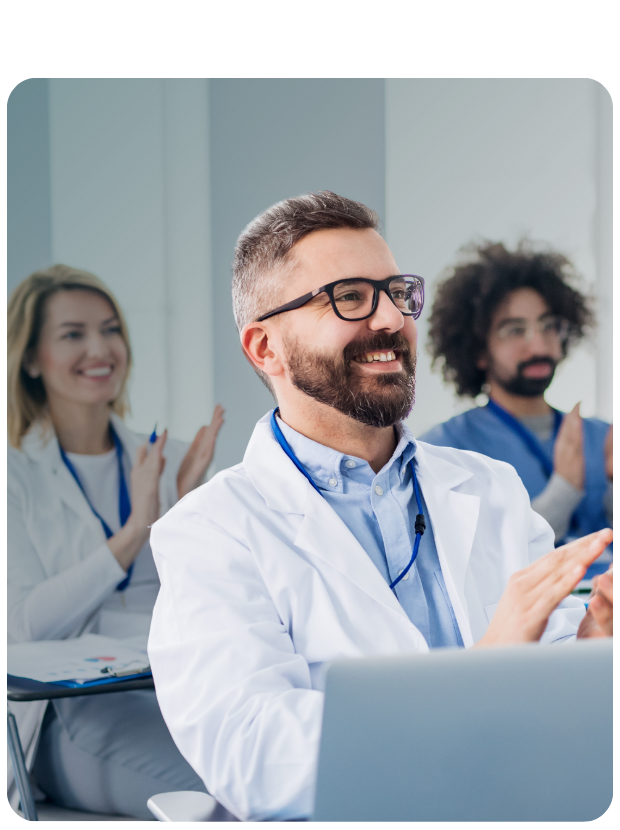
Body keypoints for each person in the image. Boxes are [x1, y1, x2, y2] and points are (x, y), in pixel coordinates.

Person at [147, 193, 614, 822]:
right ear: (265, 348)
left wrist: (592, 648)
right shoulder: (208, 534)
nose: (391, 319)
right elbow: (254, 758)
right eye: (350, 297)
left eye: (396, 292)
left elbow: (550, 673)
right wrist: (482, 679)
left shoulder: (489, 488)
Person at [7, 265, 225, 819]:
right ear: (31, 358)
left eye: (110, 329)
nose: (100, 348)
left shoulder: (172, 459)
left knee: (291, 774)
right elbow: (26, 625)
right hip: (72, 713)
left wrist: (187, 513)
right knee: (225, 798)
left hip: (181, 691)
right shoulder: (14, 475)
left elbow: (210, 610)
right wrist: (134, 535)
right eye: (73, 334)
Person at [419, 241, 619, 564]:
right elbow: (482, 561)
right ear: (479, 351)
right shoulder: (444, 450)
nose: (538, 345)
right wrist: (564, 490)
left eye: (549, 326)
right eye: (514, 331)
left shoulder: (601, 436)